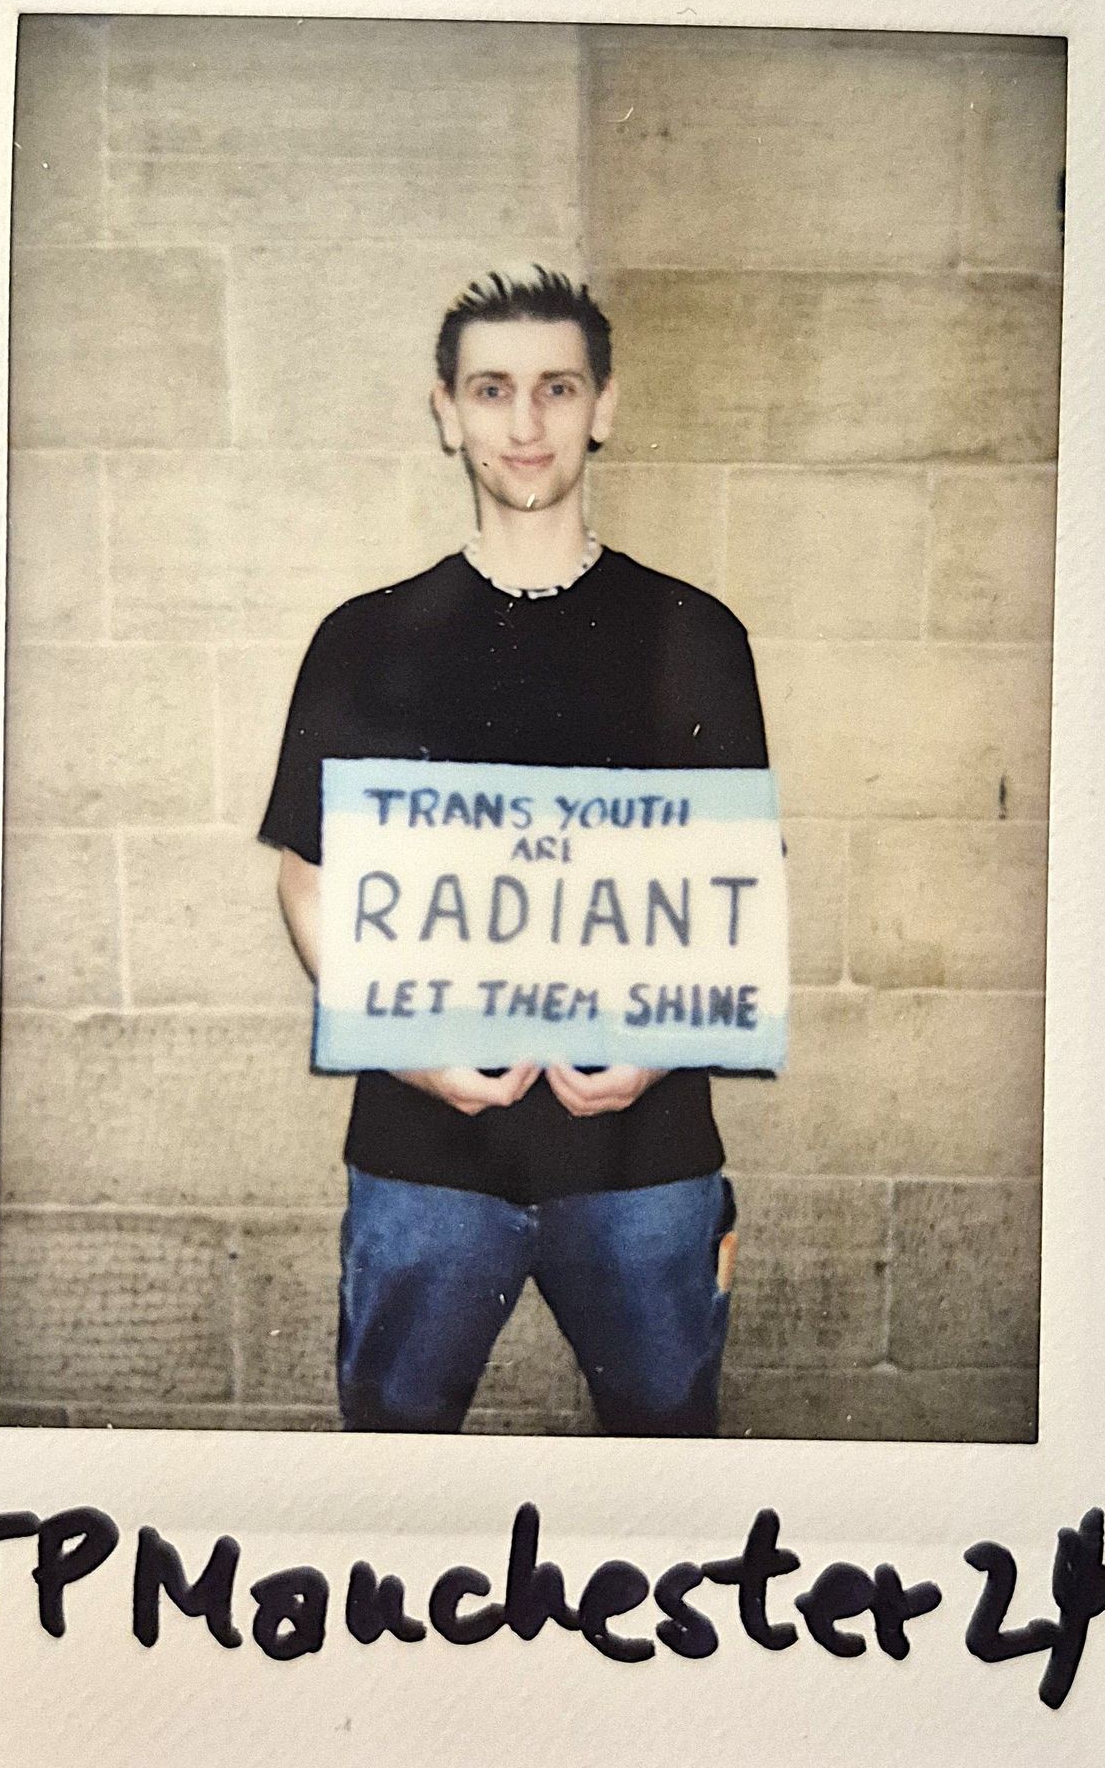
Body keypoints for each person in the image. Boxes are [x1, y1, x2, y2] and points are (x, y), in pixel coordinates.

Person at [260, 267, 769, 1435]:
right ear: (447, 410)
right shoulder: (365, 637)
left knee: (666, 1473)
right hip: (424, 1158)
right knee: (395, 1470)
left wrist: (655, 1046)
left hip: (645, 1156)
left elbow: (736, 890)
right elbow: (309, 878)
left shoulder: (695, 635)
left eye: (557, 387)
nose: (526, 423)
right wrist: (404, 1048)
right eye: (493, 389)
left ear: (605, 405)